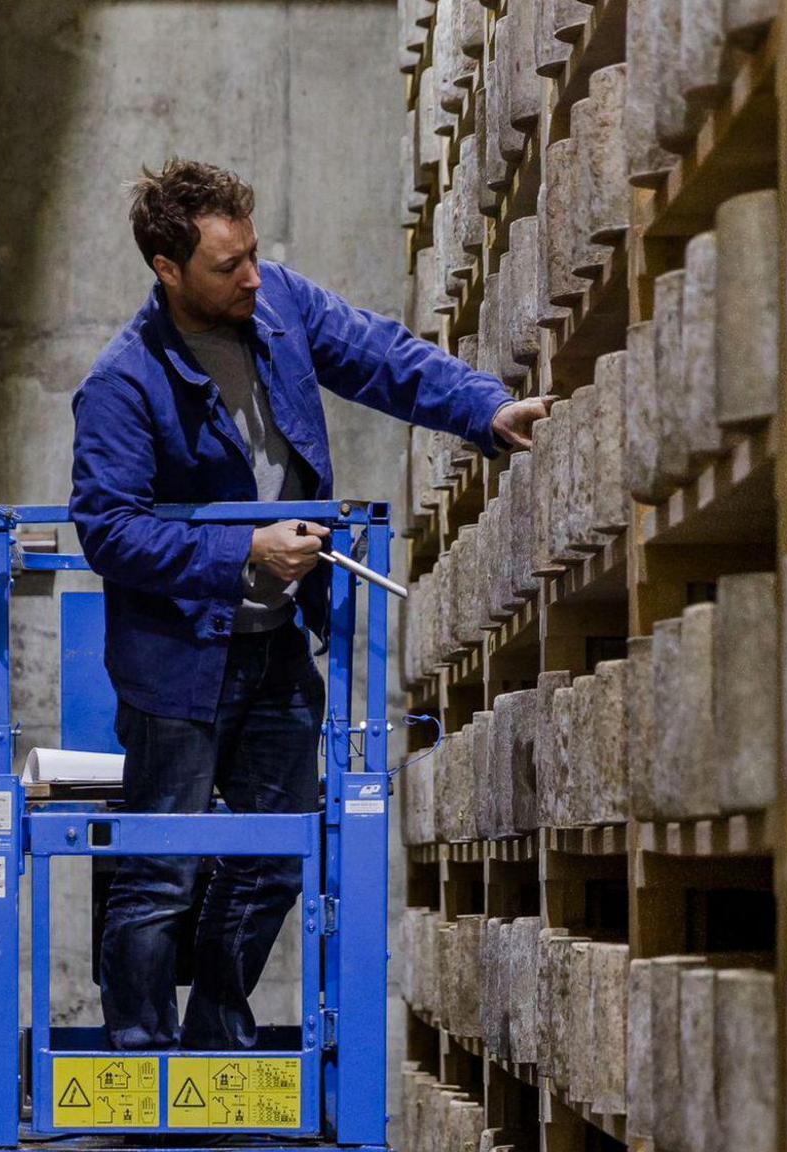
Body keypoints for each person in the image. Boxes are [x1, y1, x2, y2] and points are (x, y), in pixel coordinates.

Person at [69, 158, 549, 1051]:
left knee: (273, 855)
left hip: (276, 638)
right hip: (178, 657)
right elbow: (108, 531)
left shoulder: (277, 302)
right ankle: (138, 1055)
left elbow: (381, 356)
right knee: (159, 872)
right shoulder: (122, 385)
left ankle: (217, 1021)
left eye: (253, 253)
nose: (251, 275)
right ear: (168, 271)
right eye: (227, 266)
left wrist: (486, 410)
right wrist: (243, 547)